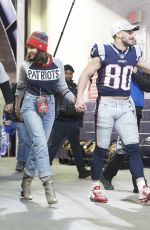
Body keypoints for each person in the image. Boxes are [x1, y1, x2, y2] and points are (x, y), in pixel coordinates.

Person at [75, 19, 150, 204]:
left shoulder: (134, 52)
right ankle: (95, 188)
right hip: (106, 105)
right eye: (129, 31)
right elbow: (85, 74)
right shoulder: (103, 50)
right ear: (118, 33)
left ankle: (143, 189)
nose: (132, 35)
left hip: (126, 106)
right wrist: (79, 97)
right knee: (100, 148)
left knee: (133, 147)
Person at [15, 31, 75, 206]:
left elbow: (63, 88)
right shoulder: (26, 65)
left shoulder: (57, 64)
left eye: (33, 47)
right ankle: (48, 184)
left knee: (39, 145)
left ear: (41, 48)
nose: (30, 50)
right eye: (29, 47)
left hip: (48, 106)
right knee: (40, 143)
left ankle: (26, 182)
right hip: (30, 105)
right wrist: (17, 107)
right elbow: (19, 88)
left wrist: (76, 101)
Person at [100, 70, 150, 193]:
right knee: (131, 146)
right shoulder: (120, 65)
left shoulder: (142, 70)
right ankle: (139, 183)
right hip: (123, 107)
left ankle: (106, 175)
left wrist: (135, 72)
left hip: (136, 109)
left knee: (124, 147)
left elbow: (148, 86)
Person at [48, 64, 91, 178]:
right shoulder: (58, 86)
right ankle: (45, 170)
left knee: (76, 147)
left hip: (73, 121)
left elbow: (80, 102)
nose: (68, 75)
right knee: (53, 146)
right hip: (59, 121)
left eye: (70, 73)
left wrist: (79, 121)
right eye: (66, 73)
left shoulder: (77, 87)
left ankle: (82, 171)